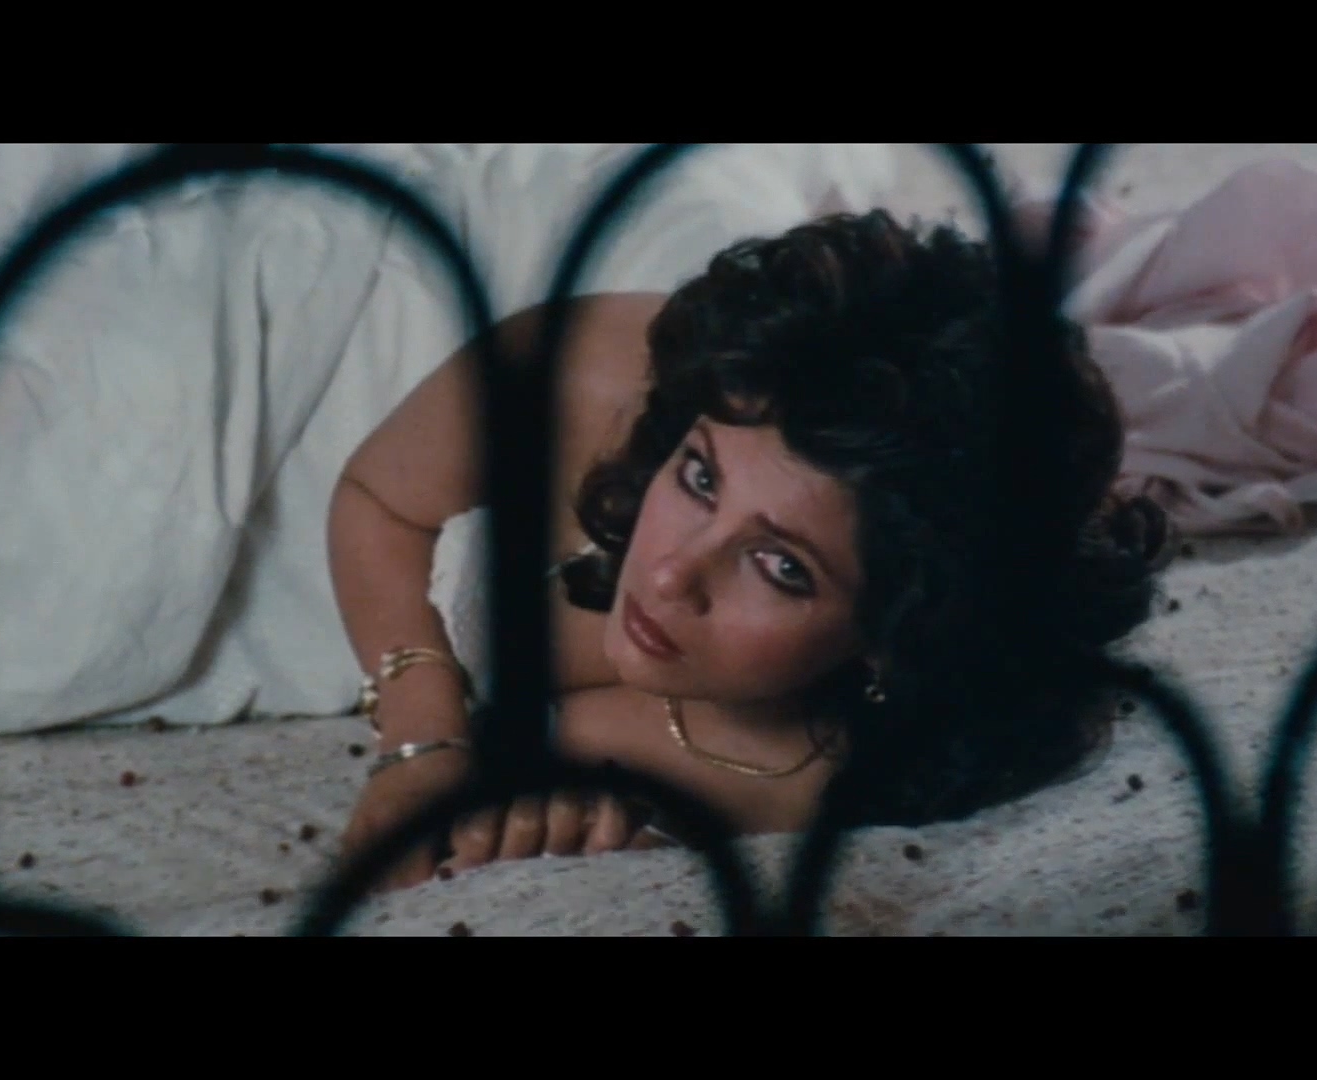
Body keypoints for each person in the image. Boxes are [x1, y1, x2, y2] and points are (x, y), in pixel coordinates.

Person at [327, 209, 1173, 890]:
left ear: (894, 633)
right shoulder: (582, 374)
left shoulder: (825, 778)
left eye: (782, 568)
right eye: (700, 477)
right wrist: (423, 737)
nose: (669, 574)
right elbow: (375, 501)